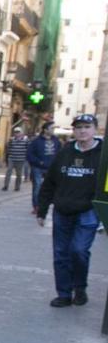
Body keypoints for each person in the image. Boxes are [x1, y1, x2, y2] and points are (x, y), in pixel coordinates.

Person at [36, 113, 102, 307]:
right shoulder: (65, 153)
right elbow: (49, 182)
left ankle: (79, 287)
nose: (82, 131)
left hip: (88, 210)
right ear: (73, 131)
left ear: (94, 130)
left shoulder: (103, 154)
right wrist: (42, 209)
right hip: (62, 211)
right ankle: (64, 293)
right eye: (78, 127)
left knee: (79, 250)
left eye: (86, 127)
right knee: (61, 254)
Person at [27, 121, 60, 213]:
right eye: (51, 128)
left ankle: (46, 204)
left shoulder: (56, 141)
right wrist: (39, 162)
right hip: (38, 168)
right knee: (37, 187)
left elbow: (60, 153)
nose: (53, 130)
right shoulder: (36, 141)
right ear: (45, 130)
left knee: (50, 188)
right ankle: (37, 206)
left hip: (51, 168)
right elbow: (29, 154)